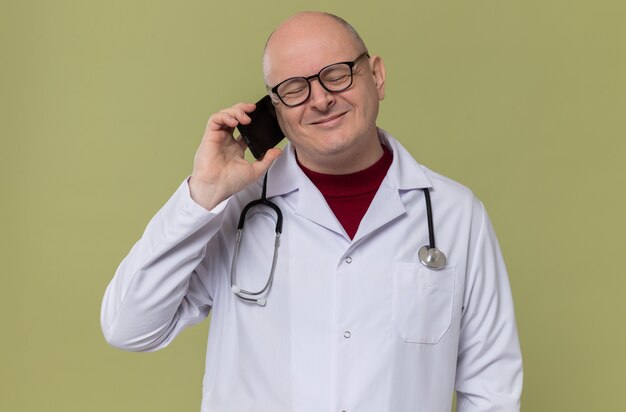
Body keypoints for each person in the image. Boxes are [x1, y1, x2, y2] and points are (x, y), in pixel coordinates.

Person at [101, 11, 522, 412]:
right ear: (275, 109)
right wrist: (203, 195)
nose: (320, 100)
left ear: (376, 75)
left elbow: (492, 385)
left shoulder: (455, 214)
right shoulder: (235, 209)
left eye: (337, 74)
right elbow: (129, 327)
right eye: (294, 88)